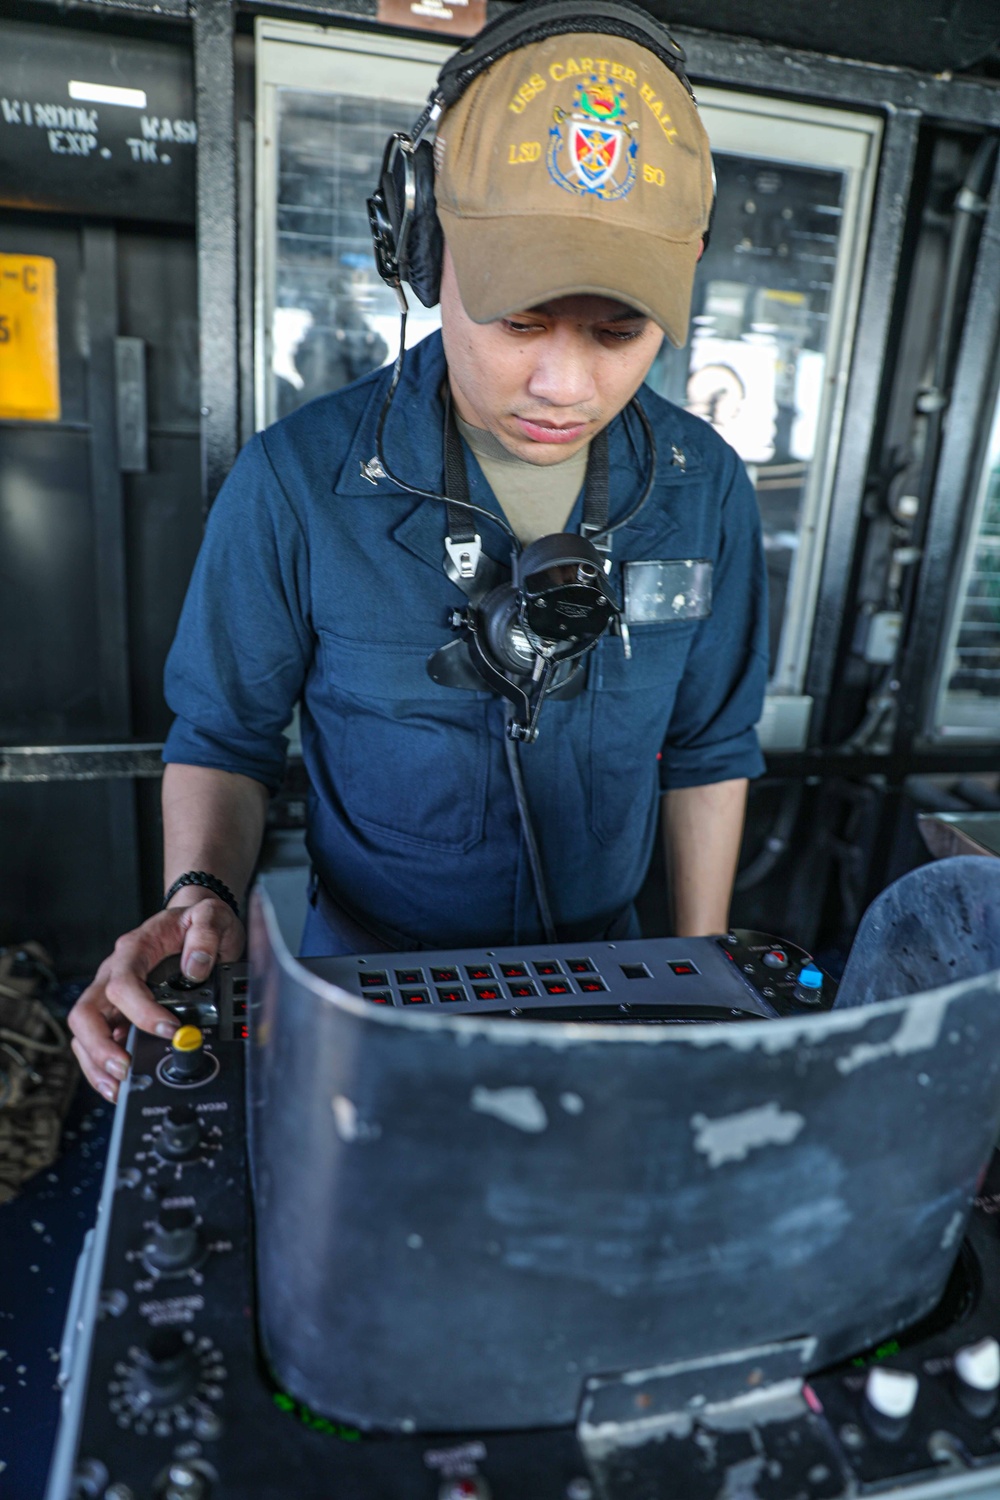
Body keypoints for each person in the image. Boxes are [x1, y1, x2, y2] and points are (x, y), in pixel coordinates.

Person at [69, 4, 769, 1104]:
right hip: (370, 982)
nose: (566, 386)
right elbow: (226, 734)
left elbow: (710, 750)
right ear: (421, 248)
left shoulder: (704, 487)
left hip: (615, 974)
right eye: (522, 319)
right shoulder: (297, 483)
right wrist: (202, 889)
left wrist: (694, 984)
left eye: (617, 331)